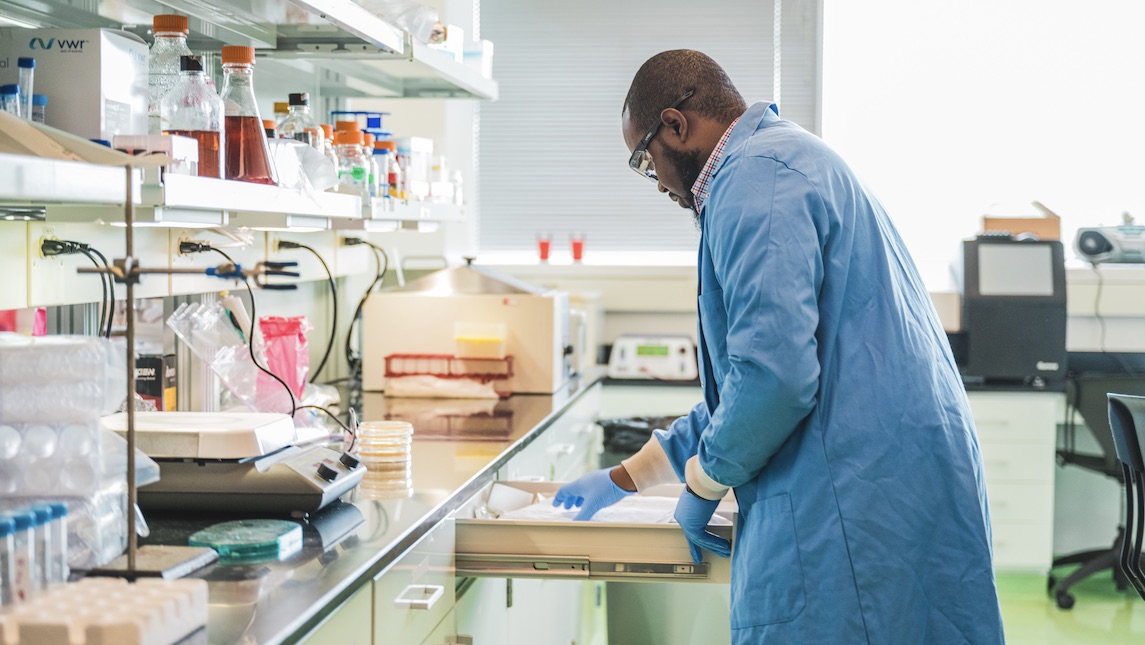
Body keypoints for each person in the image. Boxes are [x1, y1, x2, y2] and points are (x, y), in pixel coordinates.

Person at [553, 50, 1005, 643]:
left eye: (645, 161)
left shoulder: (753, 181)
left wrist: (704, 483)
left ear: (675, 125)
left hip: (849, 502)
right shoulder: (786, 160)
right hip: (888, 482)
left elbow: (774, 381)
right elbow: (743, 391)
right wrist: (626, 478)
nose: (656, 182)